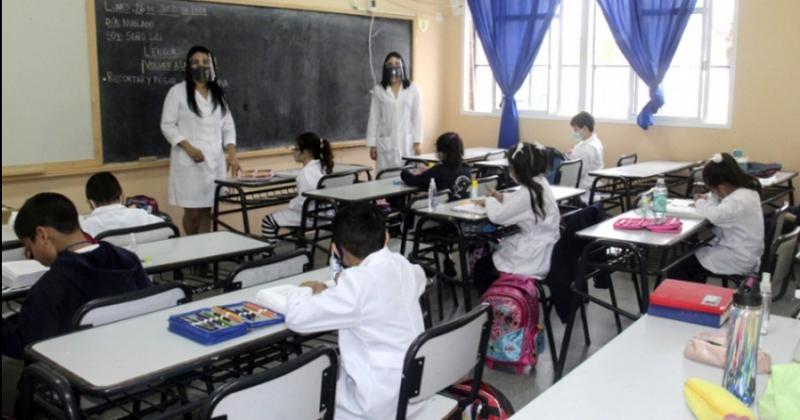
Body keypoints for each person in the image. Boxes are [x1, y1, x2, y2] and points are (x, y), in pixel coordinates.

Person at [285, 202, 427, 419]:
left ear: (336, 250)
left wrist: (303, 290)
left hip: (378, 405)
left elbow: (297, 319)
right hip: (416, 391)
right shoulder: (402, 265)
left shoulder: (358, 285)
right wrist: (341, 285)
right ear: (386, 238)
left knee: (304, 394)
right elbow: (419, 278)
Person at [2, 193, 150, 359]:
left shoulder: (50, 288)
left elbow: (25, 345)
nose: (29, 253)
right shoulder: (128, 259)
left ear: (42, 235)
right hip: (135, 354)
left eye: (29, 246)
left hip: (77, 370)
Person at [160, 45, 239, 237]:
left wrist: (232, 155)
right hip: (189, 162)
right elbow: (167, 125)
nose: (200, 65)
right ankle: (193, 249)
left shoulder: (218, 94)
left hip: (214, 161)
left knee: (208, 210)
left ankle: (206, 254)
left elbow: (227, 124)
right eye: (195, 62)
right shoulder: (177, 92)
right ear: (188, 66)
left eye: (205, 62)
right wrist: (188, 148)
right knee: (192, 212)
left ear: (212, 65)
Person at [473, 142, 561, 295]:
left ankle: (495, 306)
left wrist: (490, 201)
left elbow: (498, 217)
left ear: (520, 170)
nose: (510, 172)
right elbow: (519, 202)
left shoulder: (528, 192)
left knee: (481, 268)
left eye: (512, 168)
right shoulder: (540, 183)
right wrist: (501, 197)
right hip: (546, 248)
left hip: (532, 256)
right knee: (496, 252)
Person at [670, 153, 764, 283]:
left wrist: (700, 202)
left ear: (722, 187)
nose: (712, 192)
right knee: (691, 259)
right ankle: (695, 297)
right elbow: (717, 199)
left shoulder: (736, 201)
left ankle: (686, 300)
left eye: (712, 189)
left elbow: (716, 216)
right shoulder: (748, 191)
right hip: (748, 252)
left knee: (679, 267)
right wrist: (709, 197)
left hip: (738, 258)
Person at [261, 132, 334, 245]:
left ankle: (267, 255)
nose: (293, 151)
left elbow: (302, 203)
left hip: (311, 217)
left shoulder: (304, 174)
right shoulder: (323, 166)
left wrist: (291, 203)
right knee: (291, 216)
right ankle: (301, 250)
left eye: (295, 148)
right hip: (327, 214)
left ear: (306, 152)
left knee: (268, 221)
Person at [366, 52, 422, 174]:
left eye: (397, 63)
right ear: (385, 67)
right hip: (386, 145)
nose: (394, 67)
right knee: (385, 181)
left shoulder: (413, 88)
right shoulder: (378, 90)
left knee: (407, 180)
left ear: (402, 66)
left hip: (407, 144)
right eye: (390, 64)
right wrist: (372, 144)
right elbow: (373, 118)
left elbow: (417, 116)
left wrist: (417, 143)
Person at [81, 171, 164, 237]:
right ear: (122, 197)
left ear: (90, 203)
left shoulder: (86, 227)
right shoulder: (140, 215)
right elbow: (168, 229)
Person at [400, 132, 470, 198]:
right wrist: (429, 171)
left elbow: (412, 181)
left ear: (441, 153)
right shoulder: (466, 168)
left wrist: (404, 171)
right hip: (461, 204)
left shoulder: (439, 170)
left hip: (442, 207)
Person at [566, 111, 604, 203]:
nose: (574, 132)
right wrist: (573, 154)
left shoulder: (587, 148)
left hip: (584, 190)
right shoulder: (594, 142)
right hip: (592, 185)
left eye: (575, 129)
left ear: (585, 128)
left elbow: (577, 173)